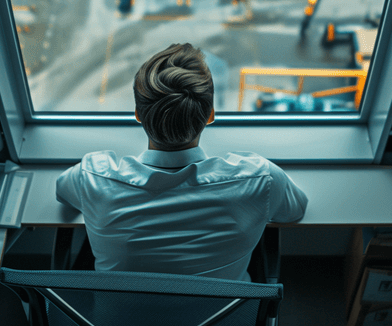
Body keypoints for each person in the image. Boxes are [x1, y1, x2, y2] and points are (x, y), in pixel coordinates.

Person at [56, 43, 308, 281]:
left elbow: (62, 190)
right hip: (221, 316)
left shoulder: (93, 176)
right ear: (210, 115)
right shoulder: (259, 179)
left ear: (138, 114)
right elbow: (295, 209)